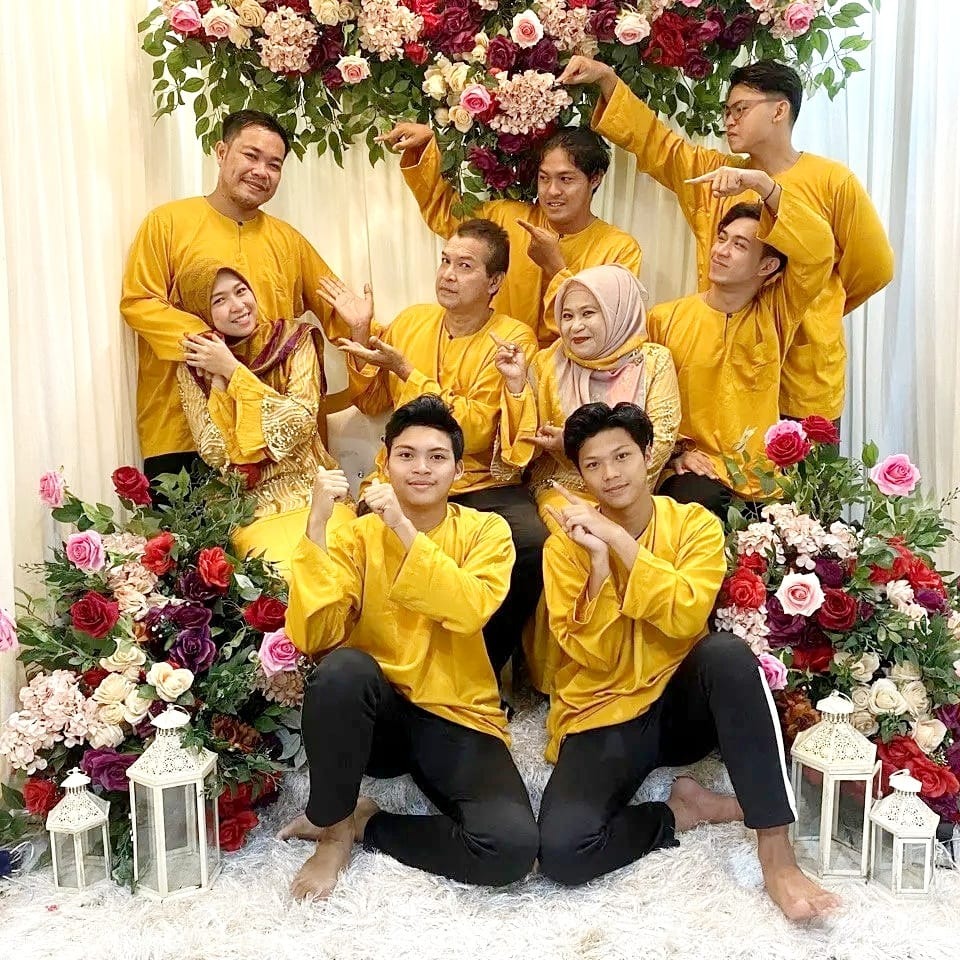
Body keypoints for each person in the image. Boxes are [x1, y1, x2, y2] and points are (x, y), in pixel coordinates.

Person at [536, 401, 840, 922]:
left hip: (680, 707)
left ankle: (777, 854)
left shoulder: (693, 523)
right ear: (580, 475)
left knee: (726, 654)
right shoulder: (565, 548)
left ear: (647, 455)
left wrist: (618, 541)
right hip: (602, 710)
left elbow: (684, 615)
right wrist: (599, 564)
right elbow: (591, 653)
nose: (610, 474)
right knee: (563, 851)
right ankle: (685, 810)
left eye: (622, 456)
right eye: (593, 464)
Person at [280, 395, 539, 900]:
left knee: (510, 849)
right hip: (381, 720)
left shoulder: (487, 531)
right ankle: (333, 831)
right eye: (406, 455)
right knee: (342, 671)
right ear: (386, 461)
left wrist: (401, 527)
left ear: (458, 470)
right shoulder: (356, 537)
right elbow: (315, 636)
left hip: (457, 711)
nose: (421, 468)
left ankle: (366, 824)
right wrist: (316, 527)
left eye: (437, 457)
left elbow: (469, 607)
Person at [558, 56, 894, 424]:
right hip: (728, 367)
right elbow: (658, 144)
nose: (729, 120)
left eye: (741, 109)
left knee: (801, 462)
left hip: (803, 373)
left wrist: (816, 308)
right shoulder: (717, 176)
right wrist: (607, 79)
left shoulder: (833, 181)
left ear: (779, 110)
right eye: (727, 111)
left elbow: (873, 270)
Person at [323, 219, 546, 677]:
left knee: (532, 542)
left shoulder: (512, 338)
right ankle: (392, 668)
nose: (447, 274)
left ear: (495, 282)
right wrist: (361, 333)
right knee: (367, 533)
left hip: (477, 480)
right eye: (445, 261)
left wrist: (408, 372)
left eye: (465, 266)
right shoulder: (411, 322)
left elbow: (477, 432)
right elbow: (372, 402)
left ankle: (478, 670)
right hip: (404, 476)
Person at [121, 110, 347, 482]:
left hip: (268, 438)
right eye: (251, 155)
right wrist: (212, 347)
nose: (261, 171)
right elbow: (140, 301)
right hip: (181, 431)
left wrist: (360, 326)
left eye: (274, 165)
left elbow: (339, 310)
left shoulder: (289, 241)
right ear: (222, 152)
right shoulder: (167, 223)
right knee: (186, 523)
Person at [647, 179, 834, 517]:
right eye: (722, 238)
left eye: (739, 245)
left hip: (762, 480)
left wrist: (763, 185)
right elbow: (642, 400)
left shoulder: (776, 313)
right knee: (702, 502)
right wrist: (675, 454)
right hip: (693, 472)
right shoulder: (664, 319)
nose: (720, 251)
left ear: (767, 266)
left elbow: (819, 251)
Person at [378, 122, 641, 346]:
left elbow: (609, 332)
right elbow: (446, 213)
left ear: (595, 179)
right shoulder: (507, 217)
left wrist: (555, 268)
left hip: (568, 376)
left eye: (566, 179)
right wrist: (424, 148)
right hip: (495, 361)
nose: (552, 191)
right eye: (544, 178)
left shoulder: (618, 248)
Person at [175, 260, 352, 578]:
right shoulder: (194, 367)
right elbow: (215, 452)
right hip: (249, 508)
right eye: (219, 300)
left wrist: (233, 372)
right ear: (200, 312)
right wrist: (218, 385)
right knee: (280, 577)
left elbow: (299, 422)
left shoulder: (294, 340)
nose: (238, 305)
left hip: (313, 488)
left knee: (337, 570)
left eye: (241, 291)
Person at [495, 264, 680, 531]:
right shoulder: (546, 364)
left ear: (617, 311)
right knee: (578, 535)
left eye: (588, 313)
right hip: (565, 487)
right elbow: (521, 446)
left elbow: (660, 439)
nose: (575, 326)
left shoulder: (654, 362)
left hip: (633, 489)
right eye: (567, 315)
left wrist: (575, 445)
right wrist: (516, 385)